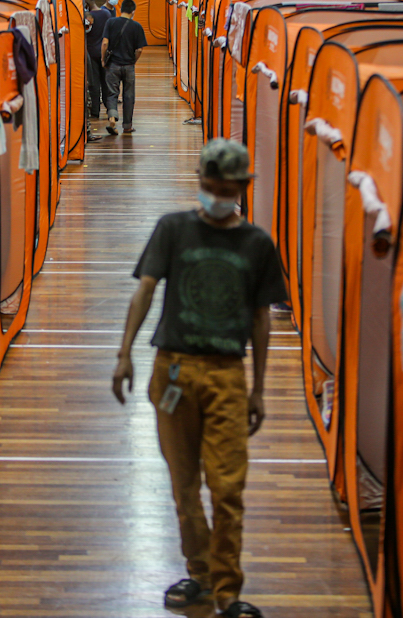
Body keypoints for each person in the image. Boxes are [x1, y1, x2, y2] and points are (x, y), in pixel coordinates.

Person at [112, 140, 286, 618]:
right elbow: (145, 291)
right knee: (184, 486)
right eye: (210, 187)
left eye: (226, 189)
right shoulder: (174, 229)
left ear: (242, 189)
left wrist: (259, 388)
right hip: (173, 369)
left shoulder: (257, 245)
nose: (217, 196)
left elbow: (260, 320)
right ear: (200, 183)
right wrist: (124, 353)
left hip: (228, 375)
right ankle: (202, 575)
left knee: (228, 490)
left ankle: (229, 591)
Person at [101, 0, 147, 136]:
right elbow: (139, 49)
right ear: (133, 11)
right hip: (128, 66)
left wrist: (103, 60)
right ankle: (127, 126)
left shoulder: (110, 22)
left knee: (111, 93)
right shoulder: (137, 26)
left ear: (120, 9)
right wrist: (133, 61)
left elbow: (104, 43)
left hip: (113, 65)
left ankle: (112, 118)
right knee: (129, 96)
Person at [84, 0, 111, 126]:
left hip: (90, 53)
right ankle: (110, 109)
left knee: (94, 83)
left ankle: (95, 111)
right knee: (106, 82)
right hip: (104, 52)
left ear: (86, 4)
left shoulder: (87, 17)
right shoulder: (106, 14)